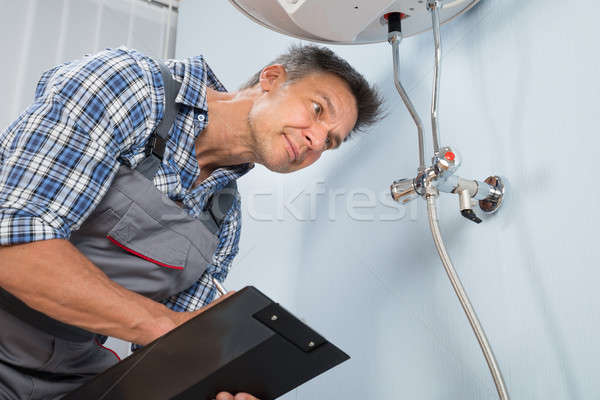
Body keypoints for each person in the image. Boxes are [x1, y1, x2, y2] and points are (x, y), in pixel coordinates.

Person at [0, 44, 383, 399]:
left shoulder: (223, 217)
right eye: (317, 110)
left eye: (330, 141)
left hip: (70, 377)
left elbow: (173, 357)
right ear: (271, 79)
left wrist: (213, 381)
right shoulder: (131, 86)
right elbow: (13, 242)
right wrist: (162, 326)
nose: (316, 140)